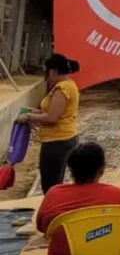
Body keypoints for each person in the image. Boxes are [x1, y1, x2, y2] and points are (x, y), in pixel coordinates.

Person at [17, 54, 80, 194]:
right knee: (54, 183)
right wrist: (31, 112)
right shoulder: (68, 85)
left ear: (53, 72)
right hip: (62, 139)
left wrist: (28, 116)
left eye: (47, 73)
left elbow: (52, 117)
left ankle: (52, 213)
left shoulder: (61, 89)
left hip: (57, 142)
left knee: (51, 186)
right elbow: (48, 111)